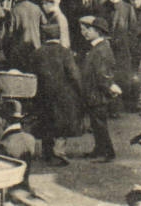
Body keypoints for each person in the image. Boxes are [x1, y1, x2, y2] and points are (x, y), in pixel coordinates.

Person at [32, 21, 82, 166]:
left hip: (43, 94)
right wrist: (79, 91)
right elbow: (74, 74)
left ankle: (47, 152)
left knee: (46, 122)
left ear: (43, 36)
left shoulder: (38, 52)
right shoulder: (64, 52)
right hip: (63, 94)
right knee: (62, 124)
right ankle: (59, 152)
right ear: (58, 35)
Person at [77, 15, 120, 161]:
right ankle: (99, 149)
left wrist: (108, 88)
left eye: (89, 30)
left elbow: (102, 75)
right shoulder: (97, 47)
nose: (85, 32)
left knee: (100, 125)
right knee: (96, 125)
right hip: (94, 93)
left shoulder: (101, 49)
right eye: (84, 29)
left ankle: (108, 153)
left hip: (97, 94)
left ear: (98, 32)